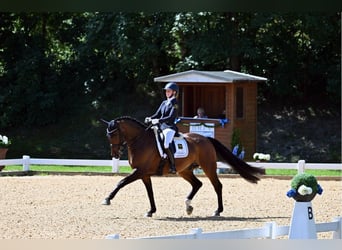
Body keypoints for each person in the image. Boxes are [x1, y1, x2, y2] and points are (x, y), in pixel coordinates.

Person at [145, 82, 179, 174]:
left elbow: (171, 117)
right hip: (161, 127)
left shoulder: (175, 103)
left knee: (166, 144)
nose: (167, 93)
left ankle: (173, 166)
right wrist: (150, 118)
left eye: (169, 91)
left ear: (174, 92)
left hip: (170, 127)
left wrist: (158, 120)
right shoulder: (164, 102)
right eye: (166, 91)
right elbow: (157, 114)